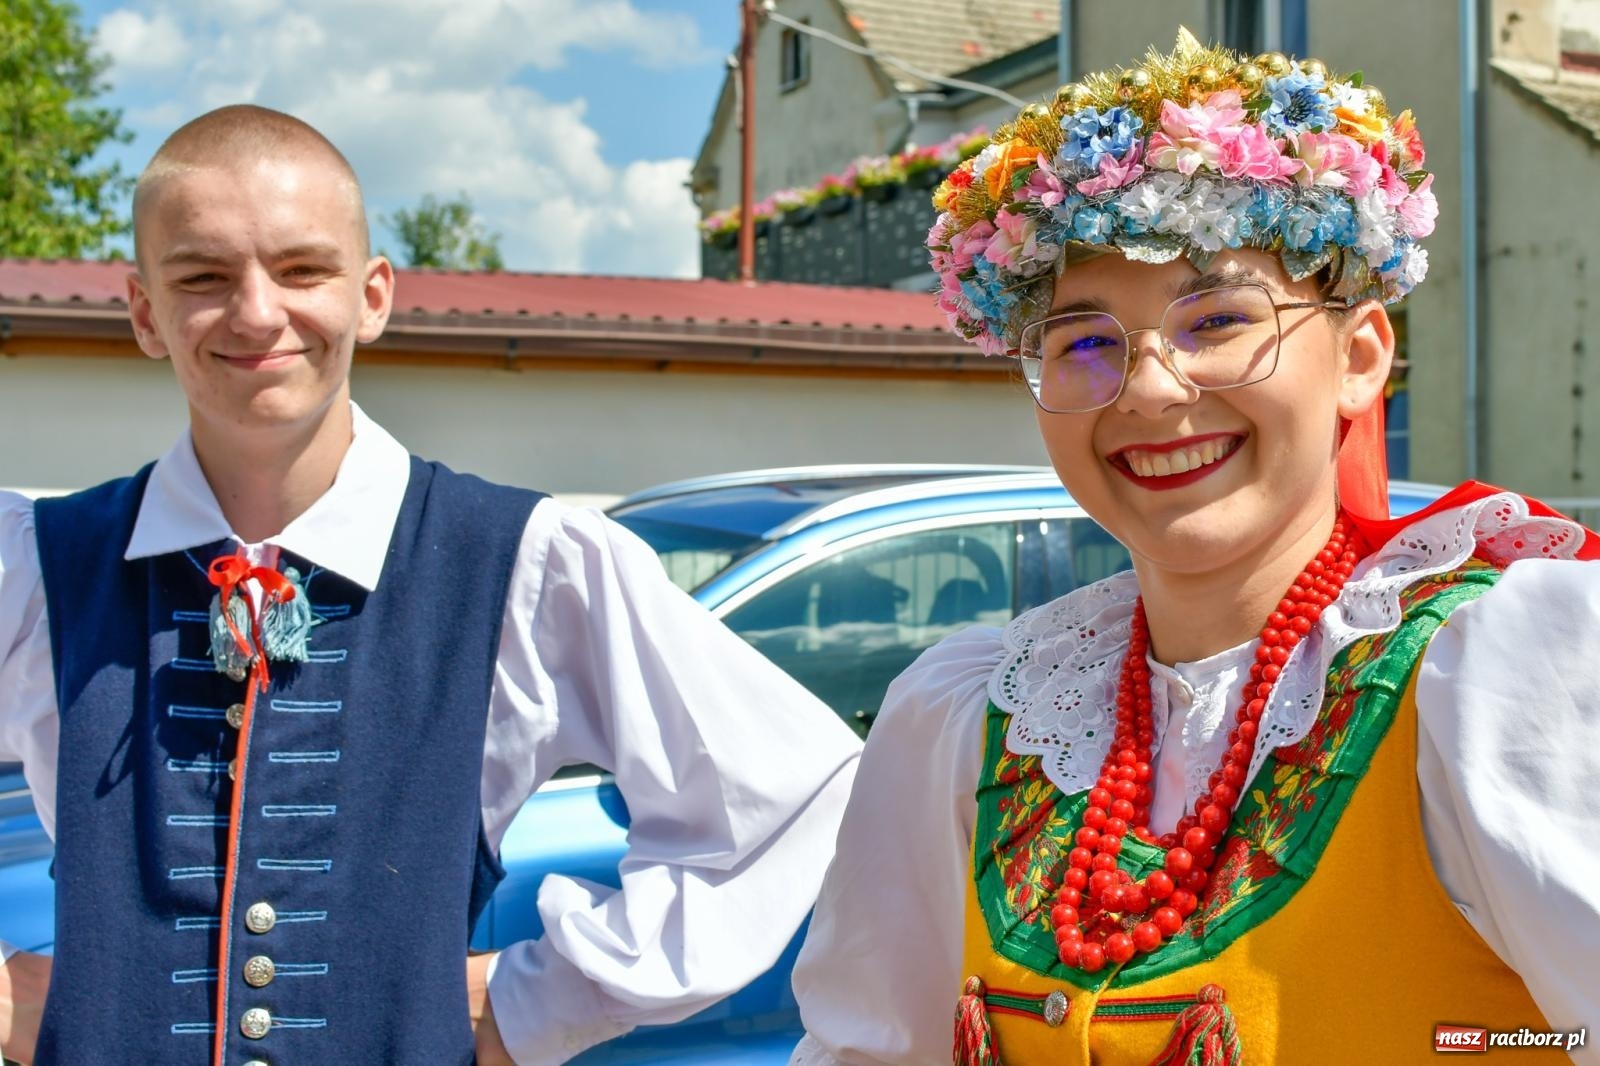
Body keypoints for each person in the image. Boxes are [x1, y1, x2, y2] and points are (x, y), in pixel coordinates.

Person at [789, 30, 1600, 1065]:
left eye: (1215, 321)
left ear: (1359, 359)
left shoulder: (1489, 683)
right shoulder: (968, 720)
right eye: (1082, 341)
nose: (1149, 389)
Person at [0, 104, 862, 1066]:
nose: (255, 311)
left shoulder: (522, 560)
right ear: (143, 312)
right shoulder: (36, 563)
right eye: (202, 277)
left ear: (371, 295)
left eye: (301, 269)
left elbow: (793, 792)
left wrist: (537, 1002)